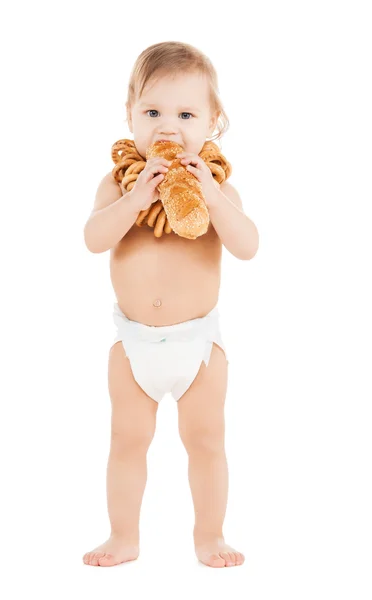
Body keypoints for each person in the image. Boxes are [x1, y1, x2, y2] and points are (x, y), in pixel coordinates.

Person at [82, 41, 259, 568]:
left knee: (205, 443)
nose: (168, 126)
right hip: (133, 345)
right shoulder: (119, 182)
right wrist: (135, 201)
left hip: (198, 347)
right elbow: (93, 239)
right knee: (126, 442)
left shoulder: (220, 187)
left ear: (213, 123)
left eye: (186, 114)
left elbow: (247, 246)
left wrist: (212, 196)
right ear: (130, 115)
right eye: (152, 112)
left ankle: (210, 535)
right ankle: (123, 536)